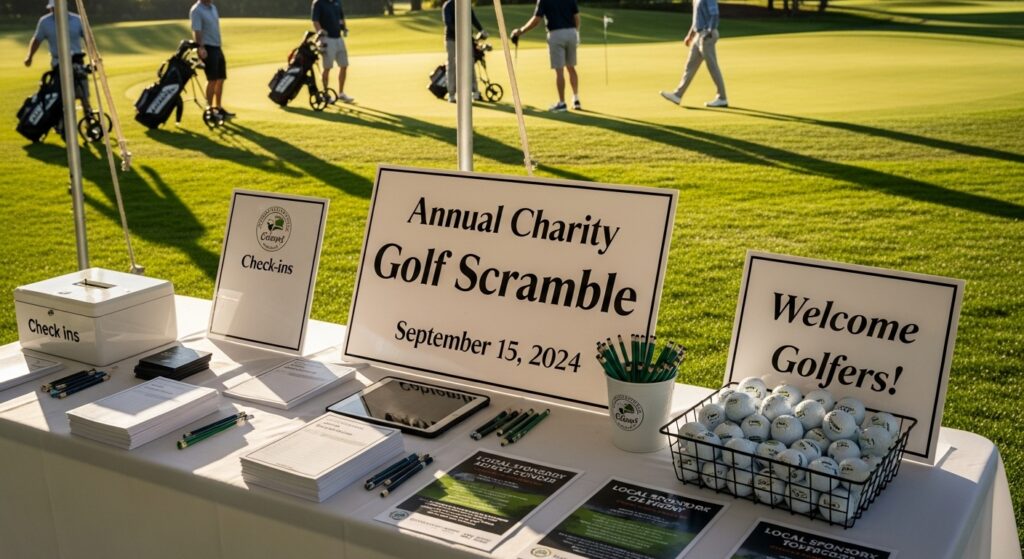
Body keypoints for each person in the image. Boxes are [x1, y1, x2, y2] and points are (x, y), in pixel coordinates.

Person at [510, 0, 581, 112]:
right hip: (572, 33)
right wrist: (576, 33)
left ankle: (562, 103)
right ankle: (576, 99)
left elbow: (536, 19)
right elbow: (576, 17)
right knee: (571, 67)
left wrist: (521, 31)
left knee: (559, 71)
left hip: (556, 34)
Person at [659, 0, 728, 108]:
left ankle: (722, 98)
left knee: (712, 66)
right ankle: (678, 95)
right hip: (698, 35)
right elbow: (697, 19)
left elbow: (714, 14)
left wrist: (709, 31)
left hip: (707, 35)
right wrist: (690, 35)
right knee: (690, 66)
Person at [190, 0, 234, 118]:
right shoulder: (196, 10)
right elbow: (196, 30)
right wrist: (200, 48)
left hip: (217, 47)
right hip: (207, 48)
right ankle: (209, 109)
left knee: (220, 78)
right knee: (212, 79)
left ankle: (218, 108)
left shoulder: (213, 7)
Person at [441, 0, 486, 103]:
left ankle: (475, 92)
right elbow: (448, 23)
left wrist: (481, 30)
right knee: (452, 65)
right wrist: (461, 32)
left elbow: (473, 18)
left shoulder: (466, 3)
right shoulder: (448, 5)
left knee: (469, 63)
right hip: (452, 39)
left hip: (466, 39)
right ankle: (452, 94)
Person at [312, 0, 354, 104]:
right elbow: (315, 21)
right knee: (327, 68)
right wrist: (320, 34)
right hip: (327, 39)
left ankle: (341, 93)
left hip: (339, 38)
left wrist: (344, 28)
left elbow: (341, 18)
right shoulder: (318, 3)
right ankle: (326, 94)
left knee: (344, 65)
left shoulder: (337, 2)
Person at [24, 0, 85, 70]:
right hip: (57, 64)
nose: (54, 10)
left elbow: (88, 40)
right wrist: (30, 57)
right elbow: (37, 41)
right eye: (53, 8)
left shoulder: (78, 20)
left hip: (78, 62)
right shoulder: (44, 22)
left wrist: (94, 59)